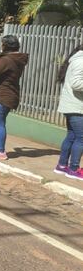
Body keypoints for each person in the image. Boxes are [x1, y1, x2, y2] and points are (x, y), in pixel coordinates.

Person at [54, 45, 83, 180]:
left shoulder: (76, 60)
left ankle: (62, 166)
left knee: (71, 136)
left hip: (72, 106)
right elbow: (76, 83)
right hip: (77, 107)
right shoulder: (81, 61)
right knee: (81, 138)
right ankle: (73, 169)